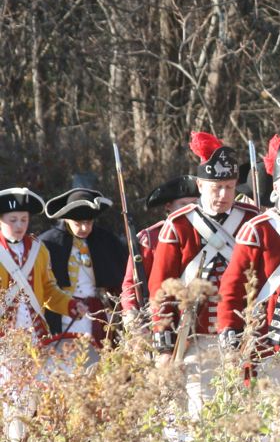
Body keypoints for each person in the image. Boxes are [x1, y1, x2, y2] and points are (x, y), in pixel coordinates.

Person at [149, 133, 258, 417]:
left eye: (230, 187)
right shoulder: (179, 225)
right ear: (200, 185)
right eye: (217, 187)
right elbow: (161, 289)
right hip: (196, 336)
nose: (223, 195)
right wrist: (163, 345)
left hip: (245, 338)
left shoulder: (251, 219)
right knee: (203, 418)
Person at [216, 134, 280, 429]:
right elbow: (232, 289)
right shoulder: (257, 229)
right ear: (276, 189)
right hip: (272, 344)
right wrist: (231, 336)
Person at [0, 188, 89, 442]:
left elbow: (49, 290)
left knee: (35, 397)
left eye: (23, 220)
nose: (19, 226)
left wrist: (70, 305)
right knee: (12, 397)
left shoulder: (38, 249)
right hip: (5, 341)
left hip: (36, 338)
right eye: (12, 220)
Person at [40, 186, 127, 345]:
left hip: (99, 312)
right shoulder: (48, 243)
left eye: (88, 222)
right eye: (78, 223)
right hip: (65, 314)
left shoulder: (106, 240)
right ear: (66, 219)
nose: (84, 228)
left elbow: (121, 276)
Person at [120, 176, 198, 320]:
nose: (189, 209)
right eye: (183, 204)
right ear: (168, 206)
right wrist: (131, 313)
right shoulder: (151, 238)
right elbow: (131, 283)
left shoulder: (206, 236)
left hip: (198, 315)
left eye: (194, 204)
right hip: (159, 315)